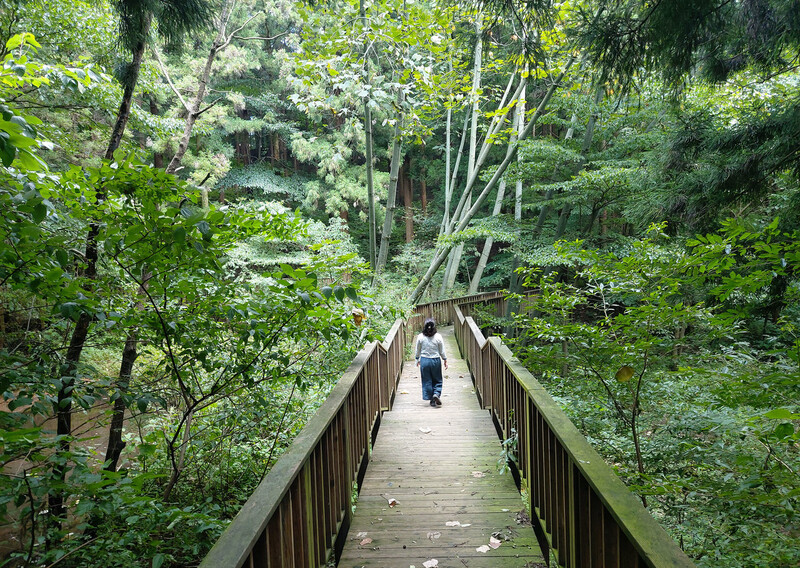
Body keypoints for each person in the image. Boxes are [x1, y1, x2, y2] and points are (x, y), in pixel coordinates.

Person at [415, 318, 448, 407]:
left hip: (424, 361)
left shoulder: (420, 337)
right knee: (437, 379)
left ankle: (431, 399)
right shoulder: (438, 337)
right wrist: (445, 359)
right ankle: (436, 394)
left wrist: (417, 359)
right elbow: (442, 350)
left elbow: (417, 349)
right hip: (435, 360)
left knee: (427, 380)